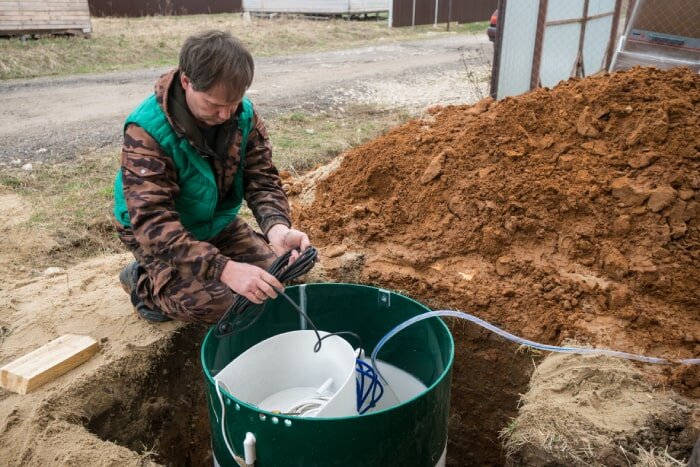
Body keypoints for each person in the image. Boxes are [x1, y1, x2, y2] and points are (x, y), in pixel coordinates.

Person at [113, 30, 310, 323]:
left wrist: (277, 229)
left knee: (275, 281)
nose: (225, 114)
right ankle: (144, 283)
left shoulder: (242, 116)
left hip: (214, 221)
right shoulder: (146, 130)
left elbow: (262, 179)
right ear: (186, 82)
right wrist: (226, 269)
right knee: (223, 306)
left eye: (233, 102)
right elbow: (153, 223)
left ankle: (216, 257)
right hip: (158, 233)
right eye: (213, 104)